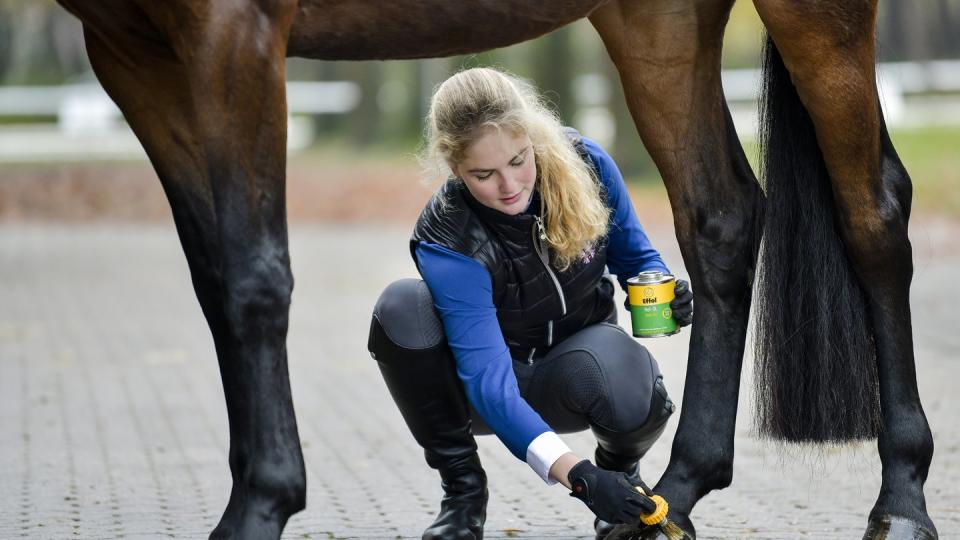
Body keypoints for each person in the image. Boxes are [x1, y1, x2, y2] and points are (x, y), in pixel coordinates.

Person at [367, 67, 693, 540]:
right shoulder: (448, 237)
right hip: (488, 388)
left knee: (628, 373)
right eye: (484, 174)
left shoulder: (585, 162)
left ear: (530, 136)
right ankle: (463, 495)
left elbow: (636, 257)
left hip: (577, 370)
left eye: (519, 160)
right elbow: (490, 384)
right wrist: (578, 476)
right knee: (401, 306)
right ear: (455, 169)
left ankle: (622, 476)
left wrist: (667, 291)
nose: (509, 186)